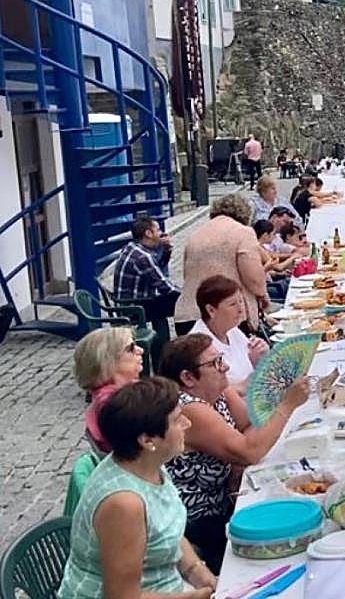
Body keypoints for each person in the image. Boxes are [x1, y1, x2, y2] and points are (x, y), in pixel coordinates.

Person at [161, 334, 309, 574]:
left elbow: (250, 423)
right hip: (201, 519)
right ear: (187, 378)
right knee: (285, 535)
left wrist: (240, 453)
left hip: (227, 496)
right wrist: (287, 405)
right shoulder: (190, 410)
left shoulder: (215, 390)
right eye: (215, 363)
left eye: (221, 359)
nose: (225, 367)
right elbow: (250, 451)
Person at [57, 378, 216, 599]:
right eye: (178, 420)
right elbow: (122, 596)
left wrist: (200, 574)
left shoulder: (149, 464)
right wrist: (195, 596)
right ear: (147, 440)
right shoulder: (124, 503)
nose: (187, 424)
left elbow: (169, 529)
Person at [176, 196, 269, 336]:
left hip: (188, 314)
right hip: (227, 318)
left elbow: (186, 275)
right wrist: (262, 295)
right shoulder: (243, 232)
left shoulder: (196, 235)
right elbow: (253, 278)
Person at [112, 216, 179, 362]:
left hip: (126, 302)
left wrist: (166, 250)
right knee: (173, 305)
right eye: (158, 230)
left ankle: (161, 354)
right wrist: (187, 295)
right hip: (133, 306)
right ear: (148, 233)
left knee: (162, 309)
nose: (161, 233)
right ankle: (163, 357)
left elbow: (156, 266)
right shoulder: (142, 256)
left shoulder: (133, 247)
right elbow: (164, 286)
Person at [75, 327, 145, 455]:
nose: (140, 350)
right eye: (130, 348)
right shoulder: (115, 403)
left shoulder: (121, 393)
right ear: (108, 361)